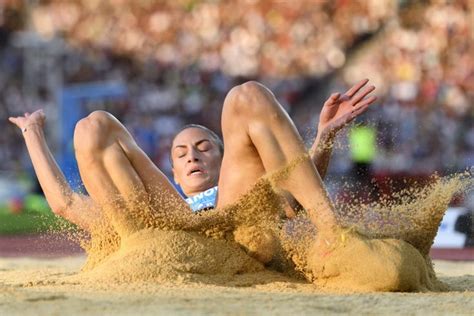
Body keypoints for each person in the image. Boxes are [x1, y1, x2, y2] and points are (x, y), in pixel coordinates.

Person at [9, 79, 377, 263]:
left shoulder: (250, 196)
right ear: (173, 172)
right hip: (169, 243)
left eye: (203, 149)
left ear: (226, 159)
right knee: (92, 126)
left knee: (246, 94)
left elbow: (295, 191)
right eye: (182, 153)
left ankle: (335, 233)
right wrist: (32, 133)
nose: (192, 157)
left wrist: (325, 136)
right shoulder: (161, 209)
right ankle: (135, 254)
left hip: (237, 238)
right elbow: (66, 204)